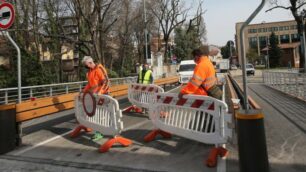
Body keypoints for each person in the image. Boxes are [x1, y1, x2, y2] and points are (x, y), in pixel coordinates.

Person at [82, 56, 109, 141]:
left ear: (90, 63)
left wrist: (100, 92)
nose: (86, 67)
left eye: (86, 65)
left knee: (100, 114)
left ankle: (100, 132)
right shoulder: (90, 72)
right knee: (96, 114)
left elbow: (106, 82)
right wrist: (83, 91)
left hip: (102, 95)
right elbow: (90, 84)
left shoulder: (99, 69)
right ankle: (99, 132)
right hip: (95, 95)